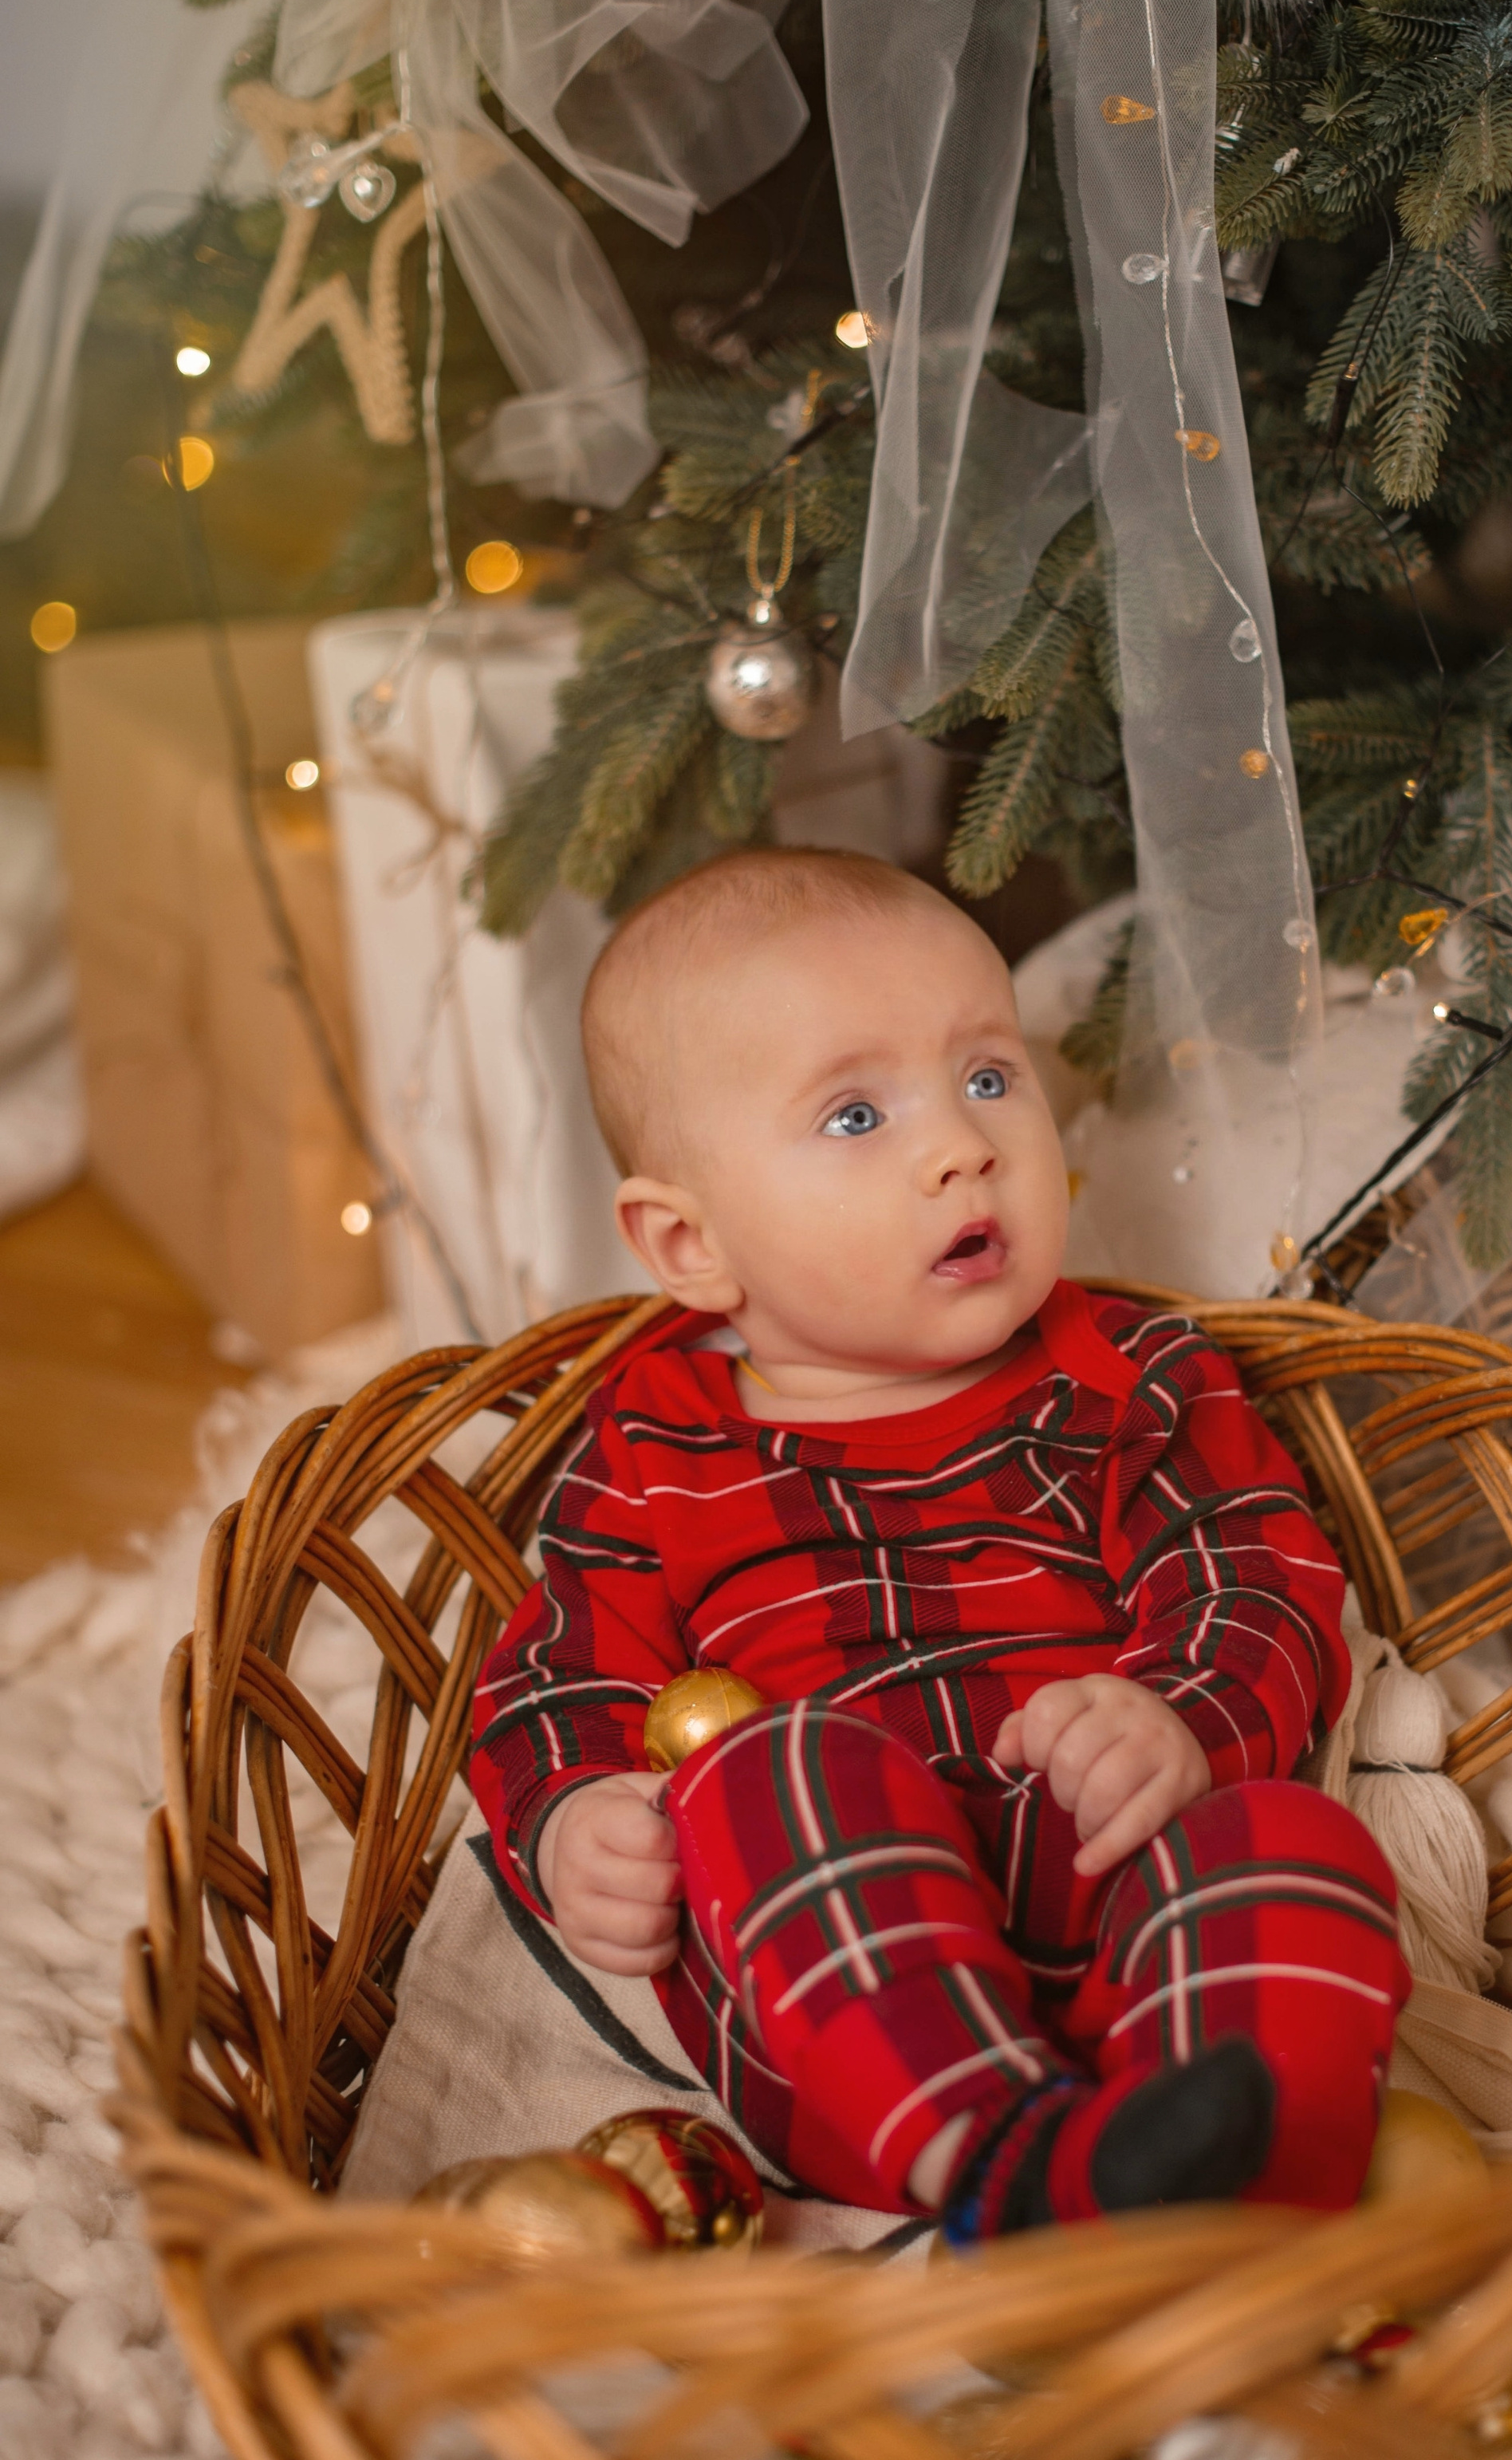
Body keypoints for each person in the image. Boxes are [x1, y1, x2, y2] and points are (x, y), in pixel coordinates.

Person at [470, 848, 1408, 2240]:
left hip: (1104, 1887)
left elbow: (1250, 1570)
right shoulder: (655, 1441)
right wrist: (571, 1823)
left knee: (1297, 1840)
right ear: (689, 1244)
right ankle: (1008, 2165)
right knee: (765, 1768)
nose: (963, 1145)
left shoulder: (1128, 1372)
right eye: (855, 1114)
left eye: (987, 1077)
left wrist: (1179, 1724)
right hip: (846, 2012)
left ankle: (1219, 2193)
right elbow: (559, 1678)